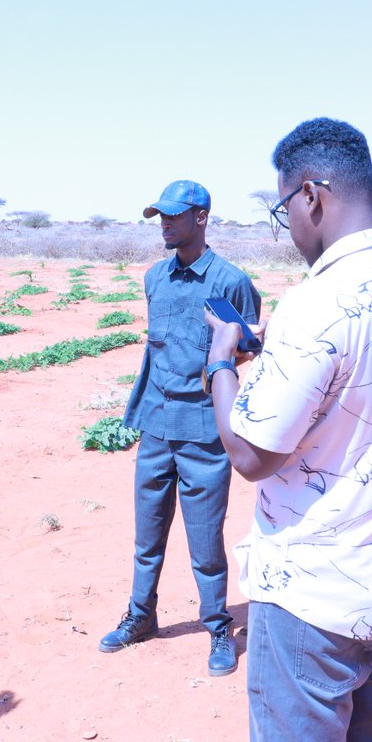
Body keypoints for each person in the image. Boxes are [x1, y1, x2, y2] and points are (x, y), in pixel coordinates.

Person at [203, 118, 372, 740]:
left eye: (282, 207)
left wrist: (221, 361)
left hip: (316, 599)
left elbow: (249, 453)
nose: (287, 223)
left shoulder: (316, 302)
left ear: (311, 195)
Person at [99, 179, 260, 678]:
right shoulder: (154, 278)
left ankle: (217, 628)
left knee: (205, 539)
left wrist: (224, 357)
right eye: (159, 216)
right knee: (147, 534)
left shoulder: (230, 282)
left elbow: (248, 346)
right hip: (156, 426)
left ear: (201, 218)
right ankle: (140, 617)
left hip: (204, 433)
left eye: (173, 215)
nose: (164, 224)